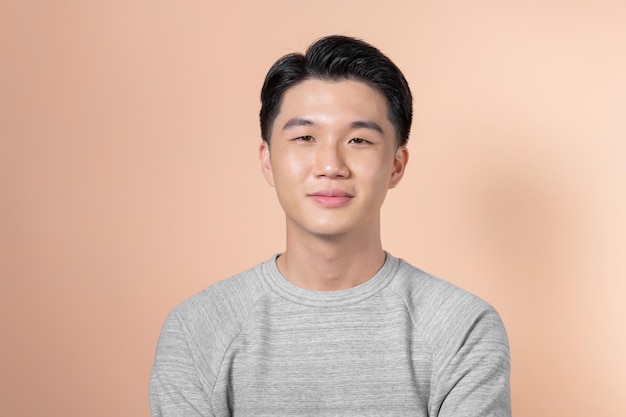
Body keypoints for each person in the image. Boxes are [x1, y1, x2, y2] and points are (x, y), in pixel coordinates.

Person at [149, 35, 511, 417]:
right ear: (268, 160)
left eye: (359, 139)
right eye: (305, 137)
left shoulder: (461, 326)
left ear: (396, 165)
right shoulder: (197, 329)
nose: (330, 164)